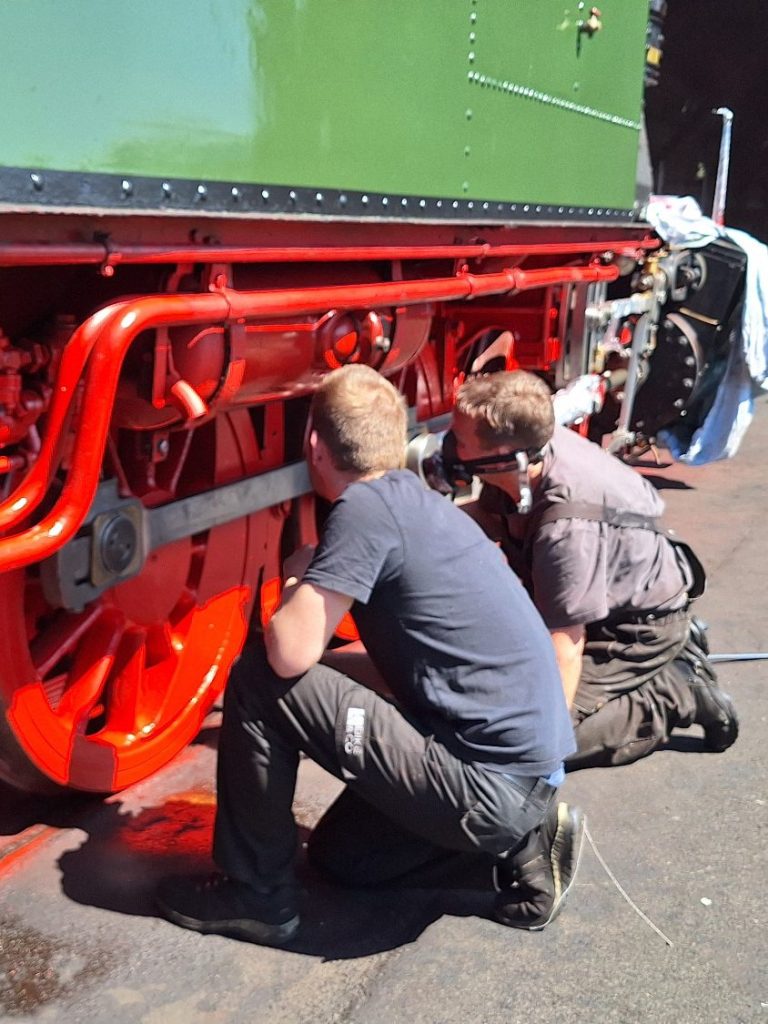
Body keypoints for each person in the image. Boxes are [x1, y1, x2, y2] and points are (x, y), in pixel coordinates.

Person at [156, 364, 583, 946]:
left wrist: (296, 578)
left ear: (315, 445)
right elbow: (406, 666)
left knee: (257, 674)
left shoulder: (364, 509)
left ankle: (256, 896)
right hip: (519, 780)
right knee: (342, 859)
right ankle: (521, 854)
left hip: (485, 784)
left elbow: (287, 656)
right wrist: (322, 685)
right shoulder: (417, 502)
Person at [448, 370, 739, 771]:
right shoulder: (533, 444)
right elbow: (489, 517)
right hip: (610, 589)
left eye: (460, 440)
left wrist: (541, 748)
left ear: (502, 454)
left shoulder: (566, 529)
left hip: (634, 628)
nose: (451, 447)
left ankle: (676, 691)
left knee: (520, 738)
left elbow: (565, 646)